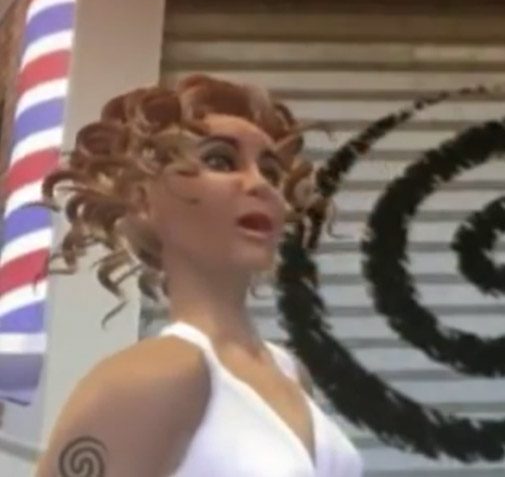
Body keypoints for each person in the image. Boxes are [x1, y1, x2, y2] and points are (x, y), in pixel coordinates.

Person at [32, 75, 363, 476]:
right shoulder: (156, 375)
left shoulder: (288, 370)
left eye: (271, 172)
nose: (259, 184)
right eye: (220, 161)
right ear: (143, 200)